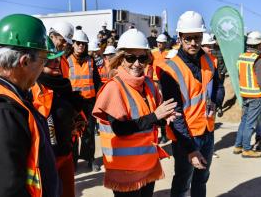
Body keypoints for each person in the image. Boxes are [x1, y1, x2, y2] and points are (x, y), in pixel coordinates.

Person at [92, 28, 179, 197]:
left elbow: (151, 121)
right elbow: (120, 129)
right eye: (131, 58)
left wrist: (164, 118)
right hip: (124, 169)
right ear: (121, 59)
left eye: (142, 58)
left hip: (147, 164)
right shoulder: (113, 87)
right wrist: (155, 116)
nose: (137, 63)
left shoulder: (149, 85)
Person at [0, 14, 60, 197]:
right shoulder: (0, 111)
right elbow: (6, 190)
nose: (43, 68)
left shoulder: (8, 94)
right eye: (43, 61)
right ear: (24, 61)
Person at [157, 11, 219, 197]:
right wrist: (191, 149)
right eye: (189, 38)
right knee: (183, 181)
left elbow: (217, 86)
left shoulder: (209, 59)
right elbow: (175, 114)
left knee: (202, 178)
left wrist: (216, 101)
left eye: (197, 38)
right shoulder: (170, 69)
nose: (194, 43)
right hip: (186, 137)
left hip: (207, 131)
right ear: (180, 37)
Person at [31, 37, 83, 197]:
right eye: (49, 61)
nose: (55, 64)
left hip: (65, 153)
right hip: (47, 159)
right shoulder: (33, 87)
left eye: (57, 59)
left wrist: (76, 123)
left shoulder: (63, 86)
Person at [68, 29, 102, 171]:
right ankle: (73, 160)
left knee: (89, 132)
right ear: (73, 44)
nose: (81, 46)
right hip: (73, 103)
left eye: (83, 43)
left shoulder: (90, 61)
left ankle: (90, 159)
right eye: (78, 43)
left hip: (89, 103)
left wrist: (99, 100)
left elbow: (97, 81)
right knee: (74, 133)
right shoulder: (66, 60)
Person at [233, 31, 261, 158]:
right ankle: (247, 149)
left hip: (245, 95)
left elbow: (239, 76)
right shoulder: (257, 60)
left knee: (244, 121)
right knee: (250, 123)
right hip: (256, 96)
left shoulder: (241, 57)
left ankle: (238, 146)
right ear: (259, 44)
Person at [150, 34, 170, 143]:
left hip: (165, 82)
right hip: (154, 82)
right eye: (158, 42)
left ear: (165, 43)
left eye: (161, 42)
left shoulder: (169, 53)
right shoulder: (153, 53)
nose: (159, 44)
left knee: (164, 106)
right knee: (154, 106)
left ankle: (164, 134)